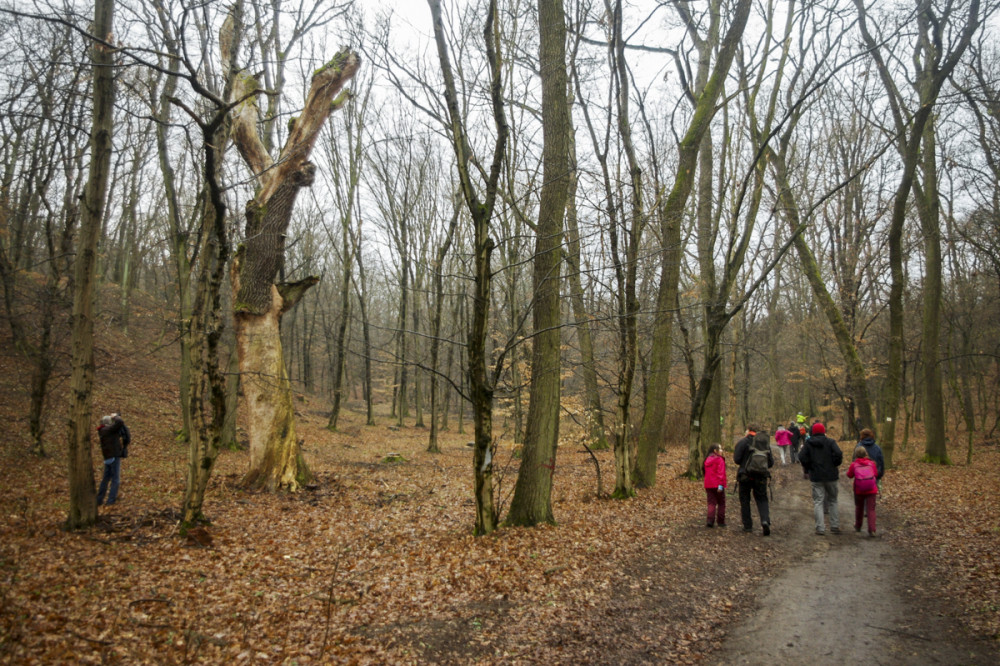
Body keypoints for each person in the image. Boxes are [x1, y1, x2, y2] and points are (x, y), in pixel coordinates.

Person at [798, 422, 843, 535]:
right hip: (831, 475)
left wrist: (808, 468)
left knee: (818, 501)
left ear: (813, 432)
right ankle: (835, 526)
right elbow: (838, 453)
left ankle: (820, 528)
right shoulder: (831, 442)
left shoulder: (809, 443)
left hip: (816, 476)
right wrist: (835, 464)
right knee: (833, 500)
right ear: (824, 431)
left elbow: (801, 457)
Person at [734, 426, 774, 536]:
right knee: (762, 499)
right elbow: (770, 463)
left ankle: (747, 525)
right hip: (761, 476)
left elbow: (736, 459)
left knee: (745, 500)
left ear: (748, 430)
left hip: (745, 476)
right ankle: (765, 520)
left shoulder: (743, 442)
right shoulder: (764, 444)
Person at [97, 413, 129, 506]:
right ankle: (111, 501)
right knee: (115, 479)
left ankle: (99, 500)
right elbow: (120, 422)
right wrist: (115, 416)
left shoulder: (102, 430)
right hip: (114, 457)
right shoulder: (109, 430)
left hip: (108, 457)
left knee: (106, 479)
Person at [847, 446, 879, 536]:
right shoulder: (872, 463)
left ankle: (858, 525)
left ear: (856, 455)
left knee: (859, 507)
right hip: (871, 489)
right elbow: (876, 474)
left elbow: (849, 475)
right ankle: (872, 529)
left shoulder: (854, 464)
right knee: (871, 509)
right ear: (866, 453)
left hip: (859, 489)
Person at [703, 444, 727, 528]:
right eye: (720, 449)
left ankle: (710, 520)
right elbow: (721, 473)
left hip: (708, 484)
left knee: (711, 503)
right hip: (717, 484)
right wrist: (720, 485)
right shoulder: (719, 460)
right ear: (715, 450)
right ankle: (721, 521)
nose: (721, 451)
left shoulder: (707, 459)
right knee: (721, 503)